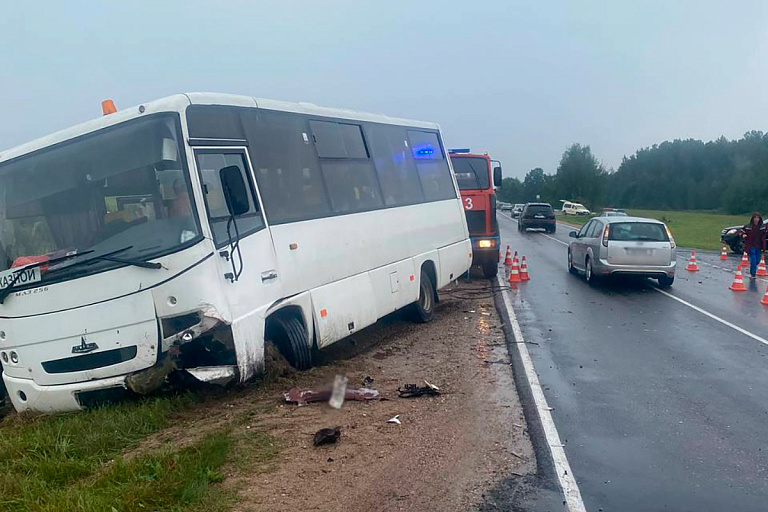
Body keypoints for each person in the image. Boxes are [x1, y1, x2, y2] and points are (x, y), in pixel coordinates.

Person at [742, 212, 766, 277]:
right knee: (754, 259)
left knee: (757, 260)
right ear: (752, 219)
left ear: (759, 219)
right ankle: (753, 273)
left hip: (759, 245)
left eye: (757, 218)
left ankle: (753, 266)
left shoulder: (763, 227)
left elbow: (764, 236)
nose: (756, 219)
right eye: (755, 218)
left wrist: (764, 246)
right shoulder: (748, 226)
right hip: (750, 245)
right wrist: (743, 234)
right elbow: (742, 231)